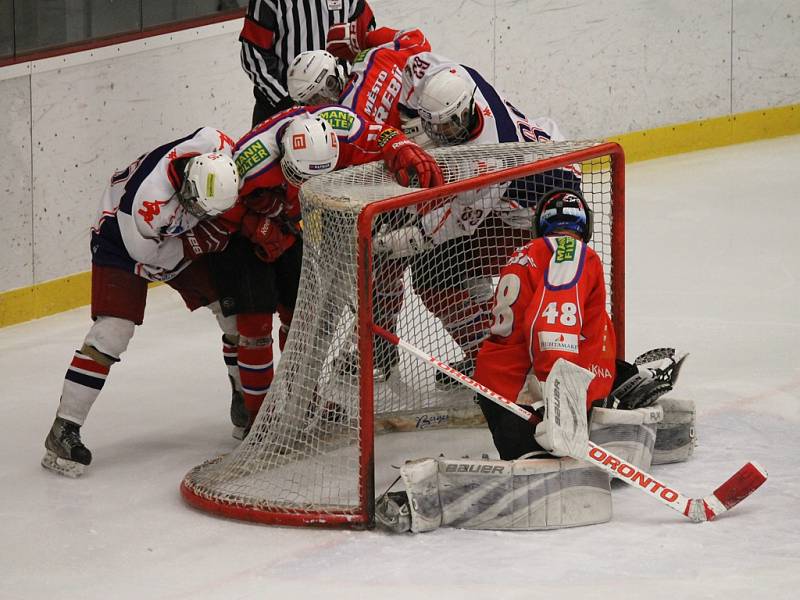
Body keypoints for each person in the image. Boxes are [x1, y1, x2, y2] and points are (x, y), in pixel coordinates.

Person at [42, 129, 243, 477]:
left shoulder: (217, 146)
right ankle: (64, 428)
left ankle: (244, 403)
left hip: (173, 231)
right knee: (112, 333)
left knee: (234, 315)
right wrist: (206, 239)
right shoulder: (149, 208)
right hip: (122, 239)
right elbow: (157, 260)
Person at [227, 106, 444, 427]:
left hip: (288, 227)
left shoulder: (341, 128)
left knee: (300, 317)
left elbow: (382, 134)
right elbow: (218, 205)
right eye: (301, 178)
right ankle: (258, 422)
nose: (310, 185)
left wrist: (403, 147)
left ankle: (304, 400)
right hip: (244, 237)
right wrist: (254, 224)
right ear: (284, 159)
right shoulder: (252, 161)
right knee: (254, 326)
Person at [370, 57, 581, 386]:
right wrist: (408, 114)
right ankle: (493, 354)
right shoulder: (457, 78)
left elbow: (454, 224)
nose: (439, 135)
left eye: (447, 128)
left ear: (463, 111)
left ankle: (497, 365)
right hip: (543, 157)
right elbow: (414, 63)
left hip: (543, 212)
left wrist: (400, 241)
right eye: (434, 126)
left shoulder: (488, 160)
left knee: (436, 274)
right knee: (453, 268)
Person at [472, 188, 685, 460]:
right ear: (585, 227)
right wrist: (560, 405)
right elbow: (551, 326)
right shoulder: (571, 252)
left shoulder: (524, 254)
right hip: (530, 402)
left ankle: (620, 377)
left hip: (499, 392)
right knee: (541, 465)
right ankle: (608, 393)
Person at [239, 0, 375, 127]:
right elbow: (253, 55)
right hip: (280, 111)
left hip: (339, 105)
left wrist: (355, 88)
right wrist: (287, 103)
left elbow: (367, 36)